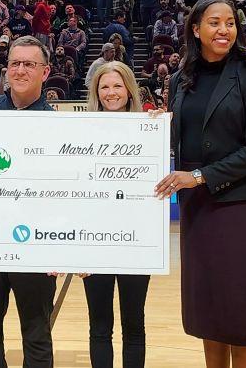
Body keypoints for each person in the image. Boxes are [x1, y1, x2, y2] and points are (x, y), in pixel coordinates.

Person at [157, 0, 246, 368]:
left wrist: (199, 176)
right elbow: (177, 136)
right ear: (195, 29)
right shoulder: (179, 78)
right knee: (207, 301)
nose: (224, 30)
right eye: (214, 23)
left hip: (238, 201)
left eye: (230, 23)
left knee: (239, 303)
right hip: (197, 205)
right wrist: (155, 128)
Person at [0, 35, 56, 368]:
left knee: (36, 334)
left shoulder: (58, 125)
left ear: (45, 72)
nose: (20, 70)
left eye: (29, 64)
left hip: (34, 244)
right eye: (14, 63)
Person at [84, 61, 151, 367]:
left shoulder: (149, 128)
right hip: (95, 242)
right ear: (96, 93)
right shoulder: (81, 133)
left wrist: (158, 126)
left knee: (134, 324)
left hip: (136, 242)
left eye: (117, 86)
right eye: (104, 87)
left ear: (129, 90)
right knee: (99, 326)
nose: (111, 93)